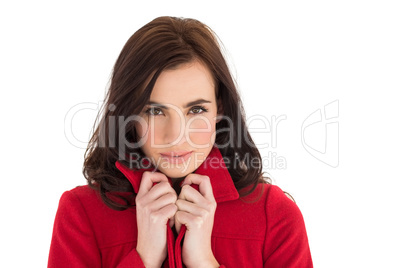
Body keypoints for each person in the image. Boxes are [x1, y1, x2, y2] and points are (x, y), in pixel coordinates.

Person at [48, 16, 313, 268]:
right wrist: (144, 257)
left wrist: (203, 261)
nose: (175, 135)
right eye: (154, 111)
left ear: (219, 110)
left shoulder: (275, 216)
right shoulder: (81, 214)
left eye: (196, 110)